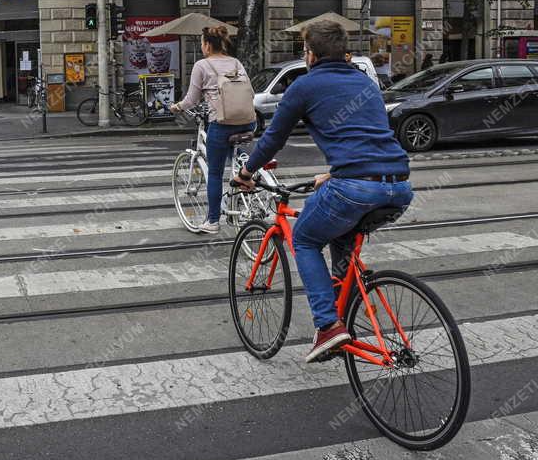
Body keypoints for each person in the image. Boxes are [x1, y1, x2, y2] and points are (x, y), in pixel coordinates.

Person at [233, 20, 412, 363]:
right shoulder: (365, 83)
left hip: (355, 186)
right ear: (343, 52)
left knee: (305, 239)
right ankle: (342, 298)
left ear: (310, 55)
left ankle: (328, 326)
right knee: (340, 226)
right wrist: (333, 172)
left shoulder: (304, 86)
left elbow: (273, 139)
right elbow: (371, 137)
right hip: (399, 185)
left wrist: (246, 172)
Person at [169, 25, 256, 234]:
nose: (201, 47)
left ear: (207, 45)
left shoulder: (202, 65)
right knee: (234, 154)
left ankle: (213, 221)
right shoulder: (236, 62)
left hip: (222, 123)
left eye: (202, 43)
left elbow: (191, 99)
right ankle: (248, 173)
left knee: (215, 173)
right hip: (247, 121)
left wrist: (177, 107)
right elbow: (250, 91)